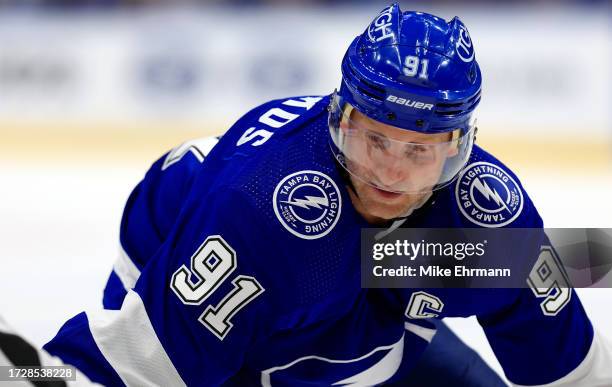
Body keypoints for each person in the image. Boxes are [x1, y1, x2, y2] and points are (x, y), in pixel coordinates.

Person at [31, 3, 612, 386]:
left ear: (459, 147)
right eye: (374, 140)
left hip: (358, 297)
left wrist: (536, 259)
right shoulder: (258, 211)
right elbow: (126, 371)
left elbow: (570, 369)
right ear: (339, 119)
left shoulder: (483, 218)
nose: (389, 173)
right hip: (210, 264)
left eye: (419, 150)